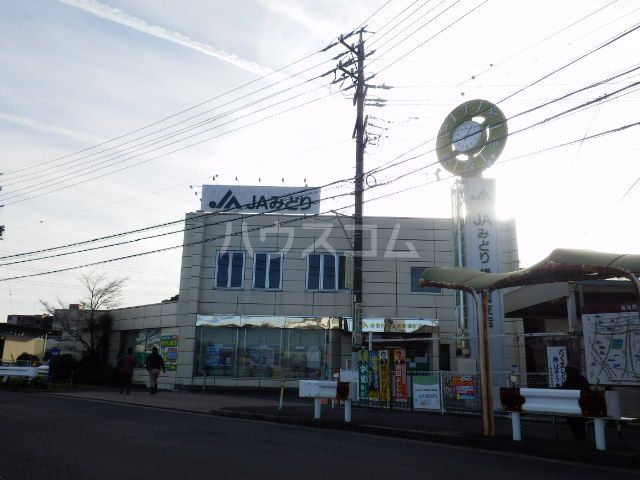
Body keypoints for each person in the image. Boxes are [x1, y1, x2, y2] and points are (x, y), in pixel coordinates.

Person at [561, 365, 590, 441]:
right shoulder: (583, 380)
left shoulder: (568, 382)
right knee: (580, 425)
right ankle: (581, 439)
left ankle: (578, 439)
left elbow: (563, 392)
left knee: (574, 425)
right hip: (584, 407)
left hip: (571, 409)